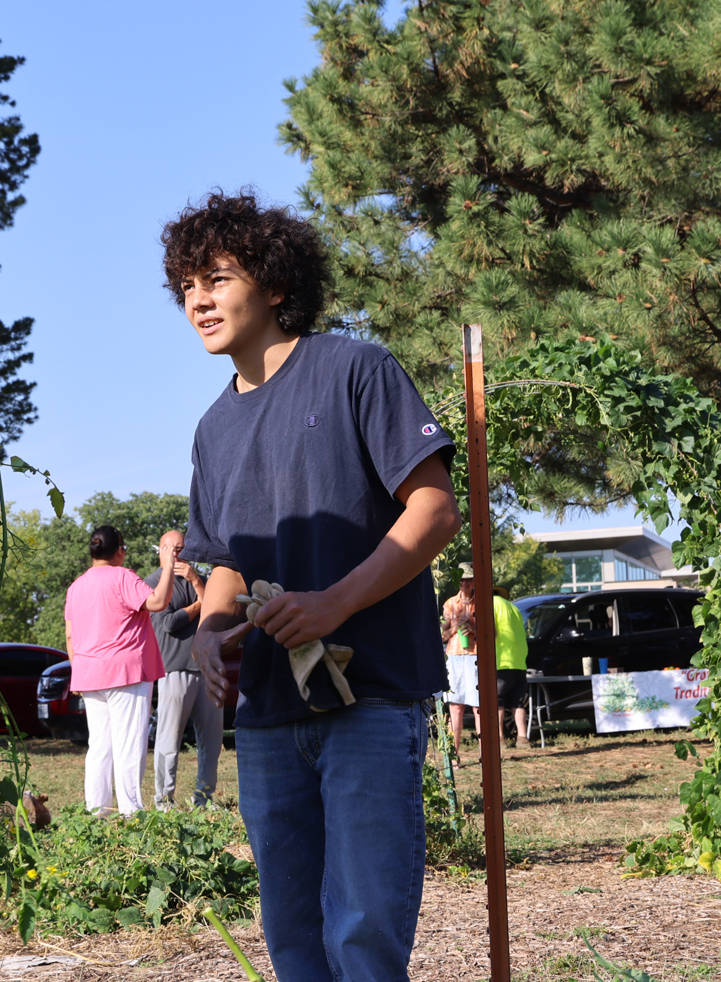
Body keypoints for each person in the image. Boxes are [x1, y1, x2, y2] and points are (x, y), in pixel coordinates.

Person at [170, 192, 462, 982]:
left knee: (362, 936)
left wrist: (336, 602)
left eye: (218, 277)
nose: (198, 298)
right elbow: (223, 559)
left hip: (369, 695)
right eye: (187, 285)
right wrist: (209, 629)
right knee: (293, 940)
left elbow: (435, 510)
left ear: (272, 283)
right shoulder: (212, 428)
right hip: (266, 713)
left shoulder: (354, 368)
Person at [63, 525, 171, 815]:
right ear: (119, 550)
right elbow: (158, 602)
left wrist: (78, 671)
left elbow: (71, 636)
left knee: (99, 746)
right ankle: (131, 812)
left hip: (89, 675)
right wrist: (168, 566)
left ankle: (97, 811)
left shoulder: (76, 587)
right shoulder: (123, 577)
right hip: (125, 673)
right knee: (129, 744)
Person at [146, 529, 221, 810]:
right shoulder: (154, 582)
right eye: (171, 548)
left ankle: (204, 797)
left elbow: (214, 609)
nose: (177, 554)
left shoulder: (195, 578)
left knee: (211, 739)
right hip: (174, 669)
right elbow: (168, 623)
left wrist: (196, 582)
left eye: (181, 548)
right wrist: (199, 606)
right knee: (168, 739)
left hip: (205, 667)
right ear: (161, 550)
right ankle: (163, 801)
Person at [441, 564, 481, 758]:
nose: (465, 582)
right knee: (455, 707)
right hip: (455, 657)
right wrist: (454, 628)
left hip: (475, 656)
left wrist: (474, 630)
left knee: (479, 707)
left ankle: (485, 756)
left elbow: (493, 633)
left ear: (474, 581)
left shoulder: (481, 603)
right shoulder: (450, 604)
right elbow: (441, 636)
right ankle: (453, 756)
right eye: (462, 579)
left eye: (469, 579)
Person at [492, 585, 531, 748]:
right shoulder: (513, 608)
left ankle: (500, 739)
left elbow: (491, 631)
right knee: (518, 702)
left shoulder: (490, 604)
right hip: (519, 660)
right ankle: (522, 738)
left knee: (497, 701)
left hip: (502, 659)